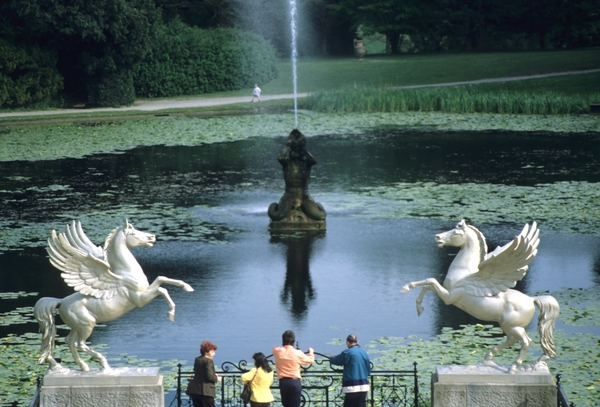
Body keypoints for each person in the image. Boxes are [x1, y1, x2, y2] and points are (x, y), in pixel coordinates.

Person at [272, 330, 315, 407]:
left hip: (283, 382)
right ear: (293, 341)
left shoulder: (277, 351)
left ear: (283, 340)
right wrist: (311, 352)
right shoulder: (297, 353)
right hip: (295, 382)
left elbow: (274, 349)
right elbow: (310, 360)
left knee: (286, 404)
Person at [329, 334, 371, 407]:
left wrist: (331, 358)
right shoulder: (364, 353)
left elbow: (336, 360)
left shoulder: (347, 353)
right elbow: (368, 371)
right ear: (357, 342)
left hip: (352, 386)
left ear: (348, 342)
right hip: (364, 385)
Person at [186, 340, 222, 407]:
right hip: (206, 392)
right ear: (206, 352)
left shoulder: (197, 359)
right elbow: (209, 376)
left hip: (195, 391)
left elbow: (199, 372)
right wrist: (217, 378)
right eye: (212, 352)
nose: (214, 354)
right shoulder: (209, 361)